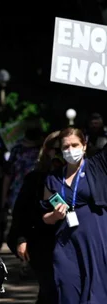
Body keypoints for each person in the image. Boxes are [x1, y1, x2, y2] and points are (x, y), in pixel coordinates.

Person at [42, 127, 107, 303]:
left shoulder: (97, 166)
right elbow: (44, 217)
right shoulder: (53, 179)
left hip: (96, 242)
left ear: (84, 146)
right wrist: (55, 216)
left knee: (96, 293)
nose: (71, 150)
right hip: (66, 245)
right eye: (66, 147)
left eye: (75, 145)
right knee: (67, 289)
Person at [7, 130, 64, 304]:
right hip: (43, 245)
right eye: (58, 149)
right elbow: (21, 213)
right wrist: (21, 239)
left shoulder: (84, 179)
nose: (63, 154)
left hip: (74, 243)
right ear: (47, 151)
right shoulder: (35, 179)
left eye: (68, 148)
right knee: (50, 291)